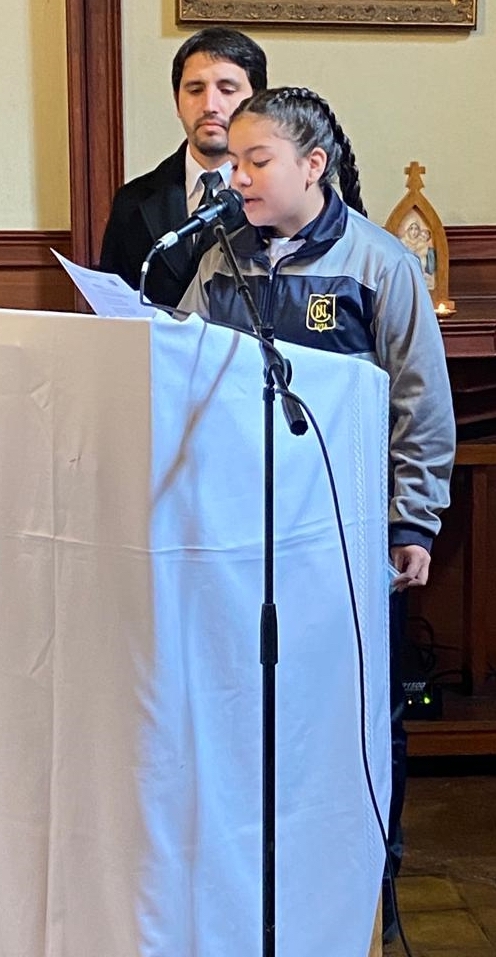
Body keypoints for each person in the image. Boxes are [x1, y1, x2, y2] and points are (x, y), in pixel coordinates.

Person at [178, 86, 456, 943]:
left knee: (352, 714)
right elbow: (180, 364)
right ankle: (255, 879)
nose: (237, 177)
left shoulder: (379, 264)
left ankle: (368, 875)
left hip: (341, 539)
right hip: (240, 539)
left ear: (313, 165)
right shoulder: (220, 260)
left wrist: (414, 521)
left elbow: (422, 404)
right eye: (232, 162)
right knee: (252, 710)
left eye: (256, 161)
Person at [99, 26, 267, 306]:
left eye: (226, 90)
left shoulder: (276, 200)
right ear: (177, 102)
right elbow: (114, 312)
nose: (210, 105)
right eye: (195, 90)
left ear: (257, 102)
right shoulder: (133, 200)